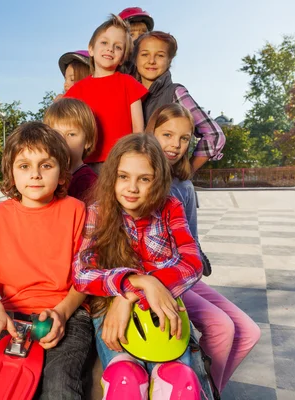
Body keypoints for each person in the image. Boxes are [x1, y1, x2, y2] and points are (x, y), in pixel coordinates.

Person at [0, 122, 93, 400]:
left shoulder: (76, 210)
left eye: (46, 166)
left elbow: (85, 280)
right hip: (10, 310)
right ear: (11, 173)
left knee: (59, 386)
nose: (35, 175)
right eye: (24, 166)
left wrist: (61, 313)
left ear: (61, 174)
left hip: (66, 312)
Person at [72, 133, 203, 399]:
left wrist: (131, 294)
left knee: (180, 382)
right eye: (123, 177)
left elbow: (192, 263)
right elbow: (81, 274)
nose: (132, 188)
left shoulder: (170, 207)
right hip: (111, 312)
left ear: (158, 180)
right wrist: (141, 281)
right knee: (125, 379)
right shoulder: (98, 212)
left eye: (144, 179)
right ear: (112, 177)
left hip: (163, 310)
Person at [147, 103, 261, 393]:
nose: (175, 145)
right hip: (156, 277)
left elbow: (192, 239)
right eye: (167, 135)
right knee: (221, 327)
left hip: (186, 275)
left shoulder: (183, 184)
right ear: (151, 133)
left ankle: (211, 392)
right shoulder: (140, 180)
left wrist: (199, 262)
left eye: (184, 138)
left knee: (249, 332)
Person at [133, 31, 225, 173]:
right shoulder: (127, 92)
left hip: (165, 182)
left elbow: (214, 134)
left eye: (160, 55)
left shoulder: (175, 93)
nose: (151, 60)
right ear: (135, 58)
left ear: (169, 61)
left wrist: (187, 171)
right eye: (145, 54)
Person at [65, 14, 148, 170]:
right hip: (83, 164)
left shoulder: (129, 83)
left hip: (120, 161)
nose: (110, 48)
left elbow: (138, 129)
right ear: (91, 49)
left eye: (118, 46)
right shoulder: (76, 90)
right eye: (104, 42)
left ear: (123, 57)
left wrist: (136, 159)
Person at [44, 98, 98, 202]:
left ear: (88, 141)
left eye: (71, 134)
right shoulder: (48, 174)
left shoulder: (88, 182)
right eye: (57, 134)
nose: (63, 140)